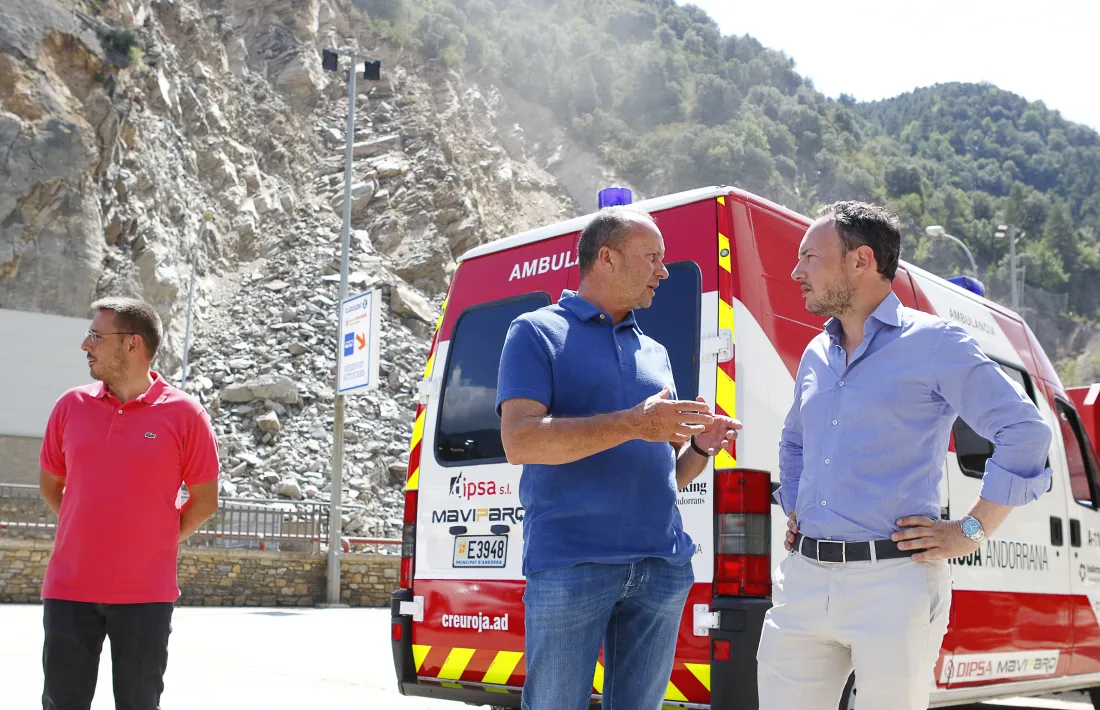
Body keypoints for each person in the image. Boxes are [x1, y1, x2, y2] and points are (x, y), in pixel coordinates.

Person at [757, 202, 1053, 710]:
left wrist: (971, 530)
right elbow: (795, 441)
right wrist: (797, 506)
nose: (795, 271)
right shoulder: (814, 354)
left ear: (861, 260)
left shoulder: (935, 342)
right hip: (802, 581)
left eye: (809, 257)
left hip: (893, 582)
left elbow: (1026, 431)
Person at [496, 207, 742, 710]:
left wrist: (700, 446)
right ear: (605, 258)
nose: (663, 271)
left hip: (661, 565)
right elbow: (519, 440)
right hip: (572, 564)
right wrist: (634, 422)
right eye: (652, 257)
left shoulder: (655, 352)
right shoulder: (535, 332)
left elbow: (667, 473)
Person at [38, 297, 220, 710]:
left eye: (96, 337)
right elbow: (52, 484)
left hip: (145, 596)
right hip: (69, 591)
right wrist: (84, 531)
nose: (86, 345)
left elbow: (205, 500)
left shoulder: (185, 415)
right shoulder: (69, 406)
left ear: (132, 344)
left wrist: (154, 541)